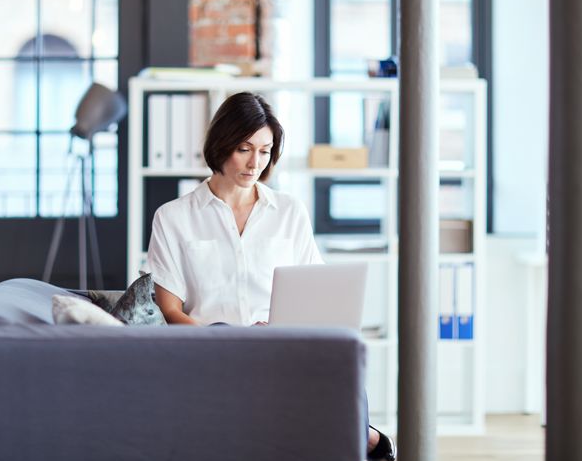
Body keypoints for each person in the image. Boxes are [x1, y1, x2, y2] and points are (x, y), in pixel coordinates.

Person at [147, 92, 396, 460]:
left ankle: (364, 438)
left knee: (339, 353)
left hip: (281, 343)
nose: (255, 163)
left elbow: (315, 294)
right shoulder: (174, 217)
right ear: (221, 145)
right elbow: (170, 311)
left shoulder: (289, 211)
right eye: (244, 149)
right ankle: (370, 439)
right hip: (214, 346)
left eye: (264, 151)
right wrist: (230, 340)